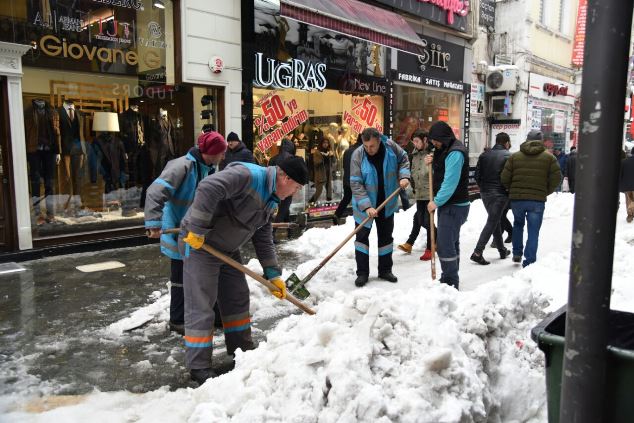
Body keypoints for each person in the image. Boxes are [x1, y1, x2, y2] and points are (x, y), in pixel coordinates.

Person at [179, 156, 309, 384]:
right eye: (296, 187)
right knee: (202, 304)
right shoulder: (248, 175)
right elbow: (208, 187)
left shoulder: (271, 198)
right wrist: (197, 229)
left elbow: (263, 236)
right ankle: (199, 366)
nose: (295, 193)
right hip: (200, 244)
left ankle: (241, 348)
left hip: (227, 249)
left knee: (237, 296)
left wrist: (273, 273)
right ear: (285, 177)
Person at [144, 131, 227, 335]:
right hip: (177, 229)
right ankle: (177, 319)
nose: (223, 157)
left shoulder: (208, 169)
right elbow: (155, 192)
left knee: (209, 273)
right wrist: (154, 223)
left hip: (197, 231)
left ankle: (216, 316)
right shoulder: (182, 166)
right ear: (212, 152)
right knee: (180, 277)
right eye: (221, 153)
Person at [350, 127, 410, 287]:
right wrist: (367, 206)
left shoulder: (390, 147)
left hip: (387, 202)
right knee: (361, 240)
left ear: (379, 141)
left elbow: (404, 158)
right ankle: (362, 273)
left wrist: (404, 175)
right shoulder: (358, 155)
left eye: (372, 146)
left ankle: (385, 270)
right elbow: (355, 183)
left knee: (386, 237)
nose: (369, 149)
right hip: (365, 207)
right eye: (366, 146)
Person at [501, 130, 561, 267]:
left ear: (526, 140)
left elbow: (504, 178)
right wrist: (545, 191)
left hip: (517, 200)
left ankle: (517, 253)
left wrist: (513, 190)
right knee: (533, 231)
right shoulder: (549, 158)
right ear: (541, 141)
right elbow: (557, 178)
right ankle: (529, 260)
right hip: (537, 201)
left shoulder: (514, 157)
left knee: (518, 225)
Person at [425, 121, 470, 290]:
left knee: (444, 245)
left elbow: (450, 183)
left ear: (444, 137)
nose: (433, 144)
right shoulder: (445, 149)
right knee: (452, 242)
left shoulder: (455, 153)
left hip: (454, 206)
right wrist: (433, 159)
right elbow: (441, 166)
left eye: (435, 140)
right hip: (451, 205)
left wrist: (436, 202)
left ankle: (450, 280)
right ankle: (452, 275)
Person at [470, 132, 512, 265]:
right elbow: (509, 177)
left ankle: (501, 250)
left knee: (495, 221)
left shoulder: (484, 155)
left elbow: (477, 176)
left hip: (485, 193)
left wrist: (483, 188)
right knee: (492, 221)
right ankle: (477, 252)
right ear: (506, 143)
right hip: (500, 193)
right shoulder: (509, 156)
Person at [397, 131, 436, 260]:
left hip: (431, 194)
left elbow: (439, 173)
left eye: (417, 141)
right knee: (418, 218)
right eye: (413, 141)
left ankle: (431, 248)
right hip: (419, 193)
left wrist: (433, 163)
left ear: (425, 140)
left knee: (426, 220)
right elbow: (412, 173)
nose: (415, 144)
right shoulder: (413, 155)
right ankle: (410, 243)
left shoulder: (433, 154)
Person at [269, 138, 297, 239]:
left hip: (275, 188)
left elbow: (269, 173)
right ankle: (271, 233)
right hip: (287, 188)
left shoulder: (273, 159)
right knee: (282, 211)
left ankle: (290, 230)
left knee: (285, 209)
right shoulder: (292, 159)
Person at [332, 134, 363, 225]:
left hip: (347, 179)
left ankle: (337, 214)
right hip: (357, 179)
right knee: (360, 199)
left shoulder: (348, 150)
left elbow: (344, 165)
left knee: (346, 198)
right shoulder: (361, 151)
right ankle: (359, 218)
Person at [309, 137, 334, 203]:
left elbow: (334, 162)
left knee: (329, 188)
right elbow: (316, 162)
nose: (326, 144)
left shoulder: (330, 152)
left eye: (327, 143)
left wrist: (332, 156)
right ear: (321, 143)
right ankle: (312, 201)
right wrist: (324, 157)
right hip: (320, 173)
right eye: (324, 143)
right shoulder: (317, 152)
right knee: (319, 190)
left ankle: (329, 201)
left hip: (328, 172)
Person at [620, 150, 634, 223]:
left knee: (629, 200)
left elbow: (620, 174)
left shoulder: (624, 162)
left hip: (627, 185)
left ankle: (630, 215)